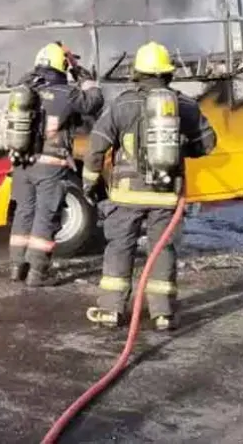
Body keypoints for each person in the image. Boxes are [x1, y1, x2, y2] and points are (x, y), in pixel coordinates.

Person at [80, 41, 218, 331]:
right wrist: (180, 147)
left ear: (137, 73)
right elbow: (208, 144)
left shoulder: (121, 104)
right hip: (166, 195)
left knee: (119, 246)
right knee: (163, 249)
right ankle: (163, 314)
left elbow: (96, 146)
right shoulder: (185, 105)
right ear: (168, 73)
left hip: (126, 194)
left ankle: (111, 310)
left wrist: (91, 182)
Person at [7, 41, 104, 287]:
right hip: (50, 164)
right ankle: (38, 273)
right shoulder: (66, 92)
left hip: (22, 163)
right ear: (61, 65)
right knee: (46, 215)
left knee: (23, 213)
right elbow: (94, 102)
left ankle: (16, 268)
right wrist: (83, 76)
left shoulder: (24, 88)